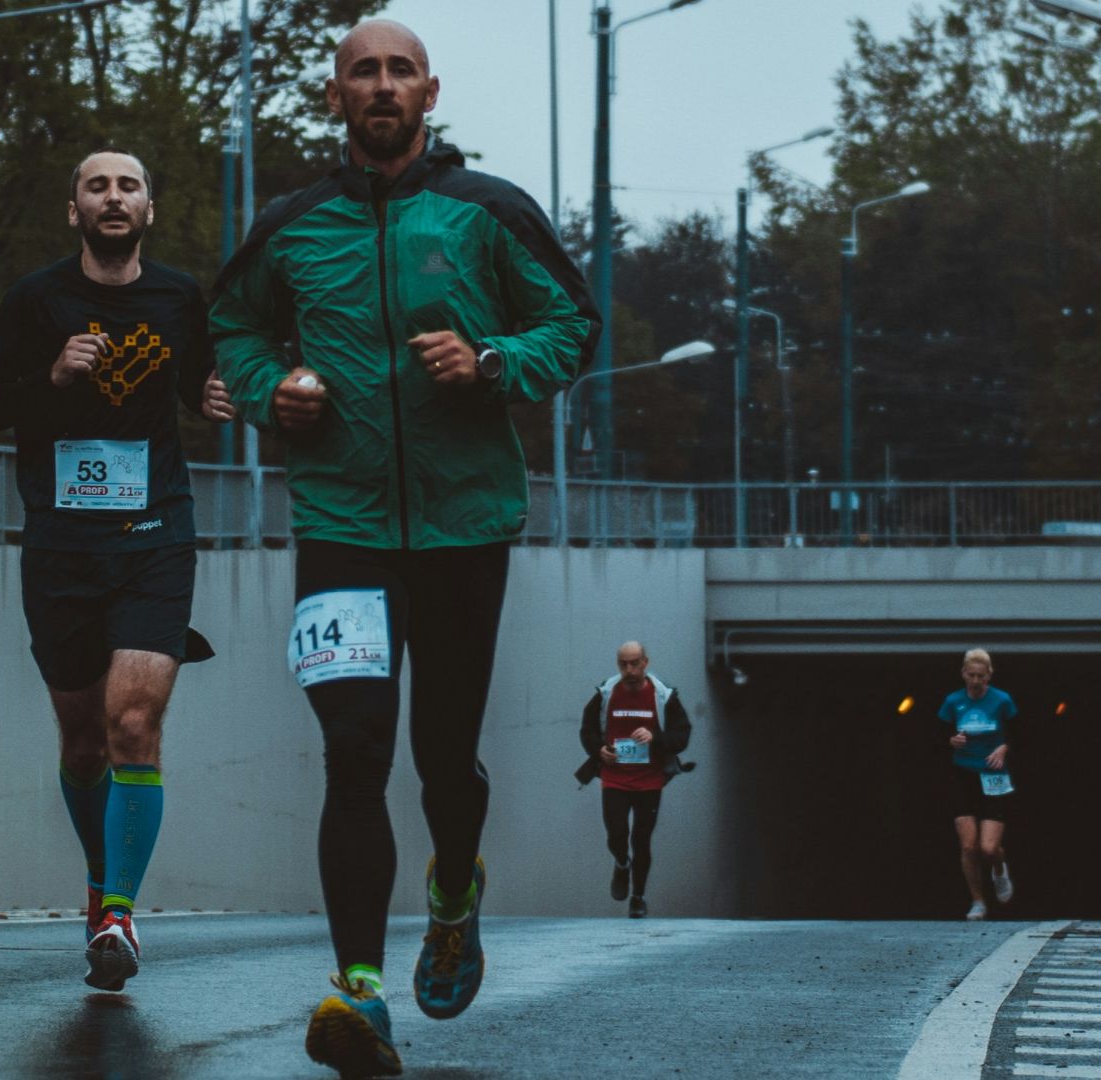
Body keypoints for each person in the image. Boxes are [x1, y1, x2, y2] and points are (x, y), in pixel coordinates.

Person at [208, 18, 598, 1077]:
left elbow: (574, 322)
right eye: (361, 73)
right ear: (335, 97)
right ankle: (359, 993)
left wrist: (492, 360)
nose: (380, 87)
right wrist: (267, 392)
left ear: (430, 92)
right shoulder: (293, 225)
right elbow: (232, 331)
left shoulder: (489, 212)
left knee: (441, 760)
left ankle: (455, 889)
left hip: (467, 524)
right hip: (341, 526)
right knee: (354, 750)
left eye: (398, 71)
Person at [0, 146, 234, 992]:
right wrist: (50, 375)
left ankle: (118, 911)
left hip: (155, 534)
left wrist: (214, 399)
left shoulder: (182, 296)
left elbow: (198, 382)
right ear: (73, 209)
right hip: (62, 547)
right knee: (83, 744)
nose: (113, 198)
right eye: (97, 186)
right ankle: (97, 880)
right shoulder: (37, 300)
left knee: (132, 727)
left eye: (129, 186)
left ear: (150, 209)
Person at [574, 641, 692, 919]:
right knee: (616, 834)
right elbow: (587, 729)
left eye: (634, 663)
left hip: (649, 780)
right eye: (623, 664)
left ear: (645, 662)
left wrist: (656, 738)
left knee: (642, 839)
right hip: (615, 778)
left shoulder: (663, 695)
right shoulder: (605, 693)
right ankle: (621, 863)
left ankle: (638, 897)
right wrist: (598, 750)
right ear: (618, 664)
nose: (629, 670)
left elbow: (682, 735)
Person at [936, 648, 1017, 920]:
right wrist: (950, 740)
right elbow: (935, 734)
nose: (975, 681)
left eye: (981, 676)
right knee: (969, 846)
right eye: (971, 675)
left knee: (988, 847)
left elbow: (1022, 732)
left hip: (992, 775)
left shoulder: (1002, 701)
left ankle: (999, 867)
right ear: (963, 674)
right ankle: (978, 901)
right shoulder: (953, 702)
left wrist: (1004, 748)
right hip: (962, 775)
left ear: (989, 676)